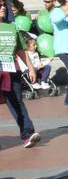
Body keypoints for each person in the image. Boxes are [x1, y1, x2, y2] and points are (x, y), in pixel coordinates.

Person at [0, 13, 39, 148]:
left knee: (17, 102)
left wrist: (31, 68)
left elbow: (21, 50)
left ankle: (28, 134)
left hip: (11, 70)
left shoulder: (12, 27)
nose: (3, 7)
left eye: (3, 4)